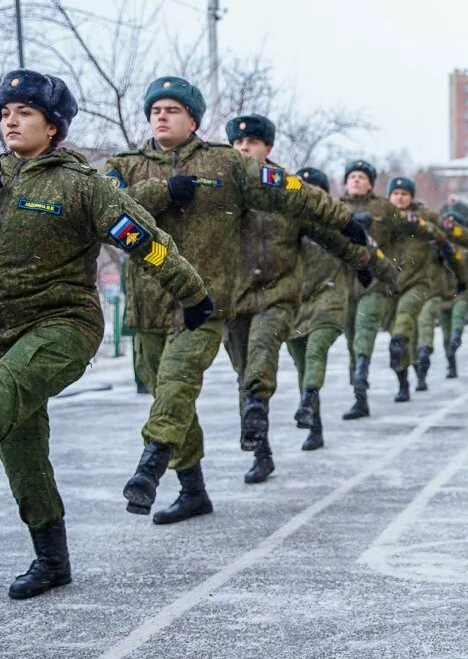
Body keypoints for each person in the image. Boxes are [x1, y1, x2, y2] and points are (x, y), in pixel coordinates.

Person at [0, 70, 208, 597]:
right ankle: (51, 560)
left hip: (63, 326)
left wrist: (193, 294)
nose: (11, 120)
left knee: (2, 390)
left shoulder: (82, 187)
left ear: (53, 127)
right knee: (21, 451)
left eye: (24, 112)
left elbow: (146, 239)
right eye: (5, 112)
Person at [106, 77, 367, 524]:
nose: (162, 116)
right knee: (167, 395)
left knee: (176, 383)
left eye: (172, 110)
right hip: (148, 305)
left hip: (202, 305)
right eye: (155, 110)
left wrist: (343, 219)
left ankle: (152, 460)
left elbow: (289, 190)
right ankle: (193, 489)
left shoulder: (226, 164)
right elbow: (103, 210)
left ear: (193, 119)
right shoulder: (124, 166)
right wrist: (162, 192)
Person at [224, 116, 385, 482]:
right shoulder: (221, 188)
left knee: (279, 363)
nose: (244, 148)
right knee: (246, 374)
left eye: (252, 142)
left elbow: (328, 225)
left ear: (268, 148)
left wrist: (369, 262)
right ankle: (262, 449)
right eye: (238, 142)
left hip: (289, 297)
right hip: (238, 297)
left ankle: (323, 400)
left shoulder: (288, 191)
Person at [287, 167, 392, 451]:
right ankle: (315, 424)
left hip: (332, 294)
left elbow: (364, 248)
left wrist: (379, 271)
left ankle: (320, 394)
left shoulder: (338, 219)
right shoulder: (284, 220)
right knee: (302, 362)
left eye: (314, 189)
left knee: (319, 348)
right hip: (295, 300)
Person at [340, 161, 417, 420]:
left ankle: (368, 380)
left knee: (366, 331)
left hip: (376, 283)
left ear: (371, 183)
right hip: (346, 284)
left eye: (362, 177)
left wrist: (376, 222)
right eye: (352, 176)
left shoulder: (384, 207)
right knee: (352, 340)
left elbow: (407, 228)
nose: (357, 180)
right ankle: (359, 397)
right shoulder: (336, 208)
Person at [383, 176, 458, 403]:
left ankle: (421, 368)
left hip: (423, 288)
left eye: (404, 194)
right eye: (395, 193)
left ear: (412, 197)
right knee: (404, 336)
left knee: (412, 330)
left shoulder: (425, 221)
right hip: (390, 288)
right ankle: (405, 378)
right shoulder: (381, 219)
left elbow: (448, 243)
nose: (400, 197)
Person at [437, 205, 468, 379]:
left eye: (455, 224)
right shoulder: (437, 246)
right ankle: (451, 364)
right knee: (445, 334)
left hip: (463, 291)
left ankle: (457, 334)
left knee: (458, 316)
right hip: (443, 293)